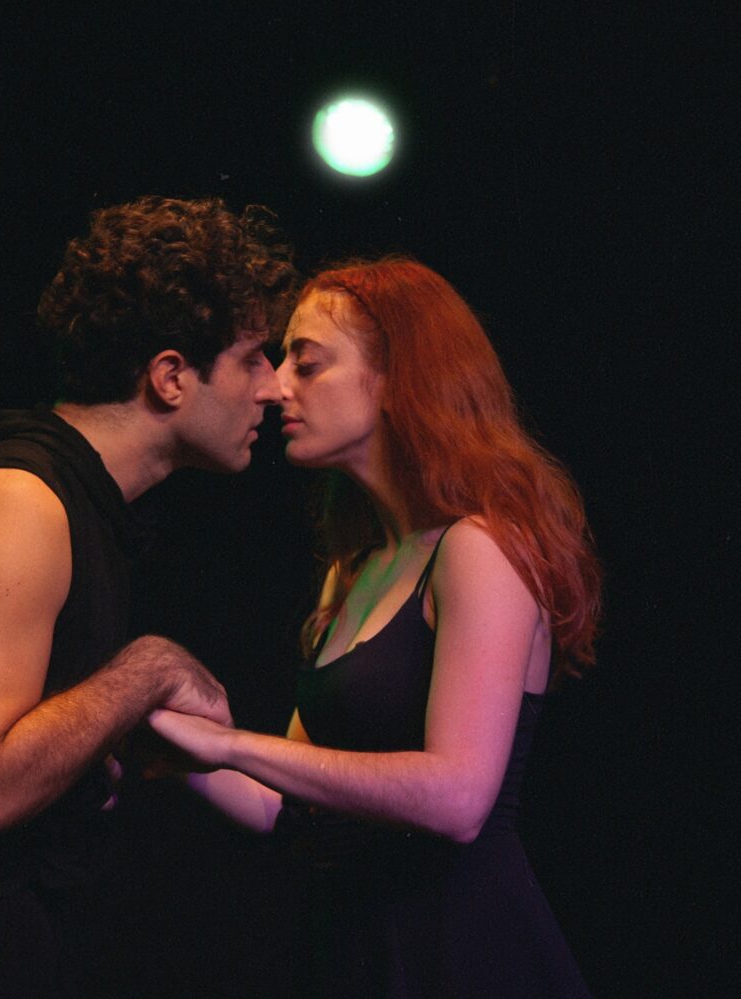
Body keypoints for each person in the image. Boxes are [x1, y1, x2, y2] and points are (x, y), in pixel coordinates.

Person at [0, 196, 297, 997]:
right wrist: (147, 669)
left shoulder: (84, 505)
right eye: (254, 358)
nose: (274, 389)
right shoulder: (19, 500)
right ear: (171, 377)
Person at [149, 256, 602, 997]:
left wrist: (230, 742)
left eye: (307, 364)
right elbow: (279, 802)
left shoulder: (478, 549)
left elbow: (459, 798)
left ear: (397, 378)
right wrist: (159, 742)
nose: (276, 386)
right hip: (356, 949)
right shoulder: (355, 569)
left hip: (462, 952)